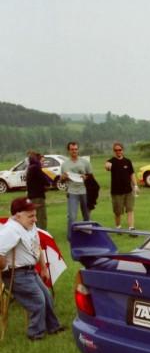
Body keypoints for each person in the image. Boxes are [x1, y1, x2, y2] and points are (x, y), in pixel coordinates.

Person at [0, 197, 64, 340]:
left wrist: (43, 268)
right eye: (31, 216)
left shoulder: (30, 226)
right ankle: (35, 334)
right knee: (38, 301)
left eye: (35, 215)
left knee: (46, 296)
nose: (35, 219)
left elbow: (37, 247)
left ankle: (53, 327)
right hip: (16, 274)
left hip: (30, 271)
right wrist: (5, 270)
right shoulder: (10, 230)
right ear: (17, 215)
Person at [61, 141, 92, 240]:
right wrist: (63, 177)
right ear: (68, 151)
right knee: (72, 216)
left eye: (76, 149)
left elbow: (91, 176)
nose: (74, 151)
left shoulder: (85, 162)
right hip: (72, 191)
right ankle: (71, 237)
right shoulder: (65, 164)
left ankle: (88, 233)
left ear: (78, 150)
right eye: (72, 149)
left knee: (86, 214)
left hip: (84, 191)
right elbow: (61, 180)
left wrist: (85, 177)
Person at [105, 142, 137, 231]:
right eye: (116, 150)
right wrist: (107, 165)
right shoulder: (111, 161)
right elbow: (107, 166)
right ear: (114, 151)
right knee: (118, 212)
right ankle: (118, 227)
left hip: (128, 191)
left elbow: (132, 174)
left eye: (119, 150)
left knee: (130, 209)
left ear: (122, 150)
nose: (118, 151)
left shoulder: (127, 161)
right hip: (116, 192)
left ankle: (131, 228)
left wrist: (135, 185)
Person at [25, 152, 51, 229]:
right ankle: (42, 234)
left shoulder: (30, 168)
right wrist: (47, 185)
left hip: (31, 196)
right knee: (41, 218)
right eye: (42, 161)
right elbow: (45, 182)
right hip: (38, 197)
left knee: (34, 217)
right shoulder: (36, 168)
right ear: (38, 160)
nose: (43, 163)